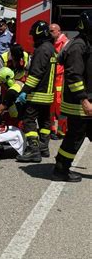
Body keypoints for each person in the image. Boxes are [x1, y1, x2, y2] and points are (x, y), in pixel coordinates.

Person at [52, 10, 92, 182]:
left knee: (77, 135)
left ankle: (61, 165)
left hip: (85, 100)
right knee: (75, 136)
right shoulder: (78, 46)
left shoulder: (86, 43)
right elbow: (74, 75)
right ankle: (61, 169)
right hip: (79, 102)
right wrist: (84, 99)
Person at [16, 20, 56, 163]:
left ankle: (33, 150)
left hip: (38, 93)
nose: (32, 38)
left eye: (33, 35)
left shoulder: (41, 50)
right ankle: (43, 147)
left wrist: (25, 91)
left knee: (29, 120)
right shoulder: (51, 48)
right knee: (45, 120)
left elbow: (36, 74)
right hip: (48, 93)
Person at [49, 23, 69, 139]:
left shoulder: (65, 43)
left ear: (58, 31)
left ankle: (62, 130)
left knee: (60, 106)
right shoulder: (51, 43)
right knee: (51, 106)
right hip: (52, 78)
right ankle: (53, 129)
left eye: (52, 31)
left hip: (60, 78)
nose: (50, 33)